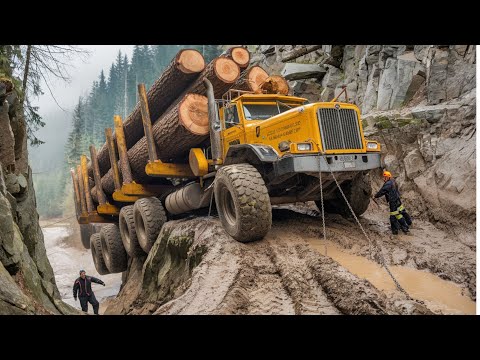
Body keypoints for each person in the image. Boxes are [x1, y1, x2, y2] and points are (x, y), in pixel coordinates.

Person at [374, 170, 412, 235]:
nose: (383, 179)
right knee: (400, 213)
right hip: (397, 200)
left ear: (388, 177)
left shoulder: (388, 184)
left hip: (393, 202)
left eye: (385, 177)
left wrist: (375, 196)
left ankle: (395, 231)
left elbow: (382, 191)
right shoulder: (393, 181)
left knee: (393, 217)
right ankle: (407, 225)